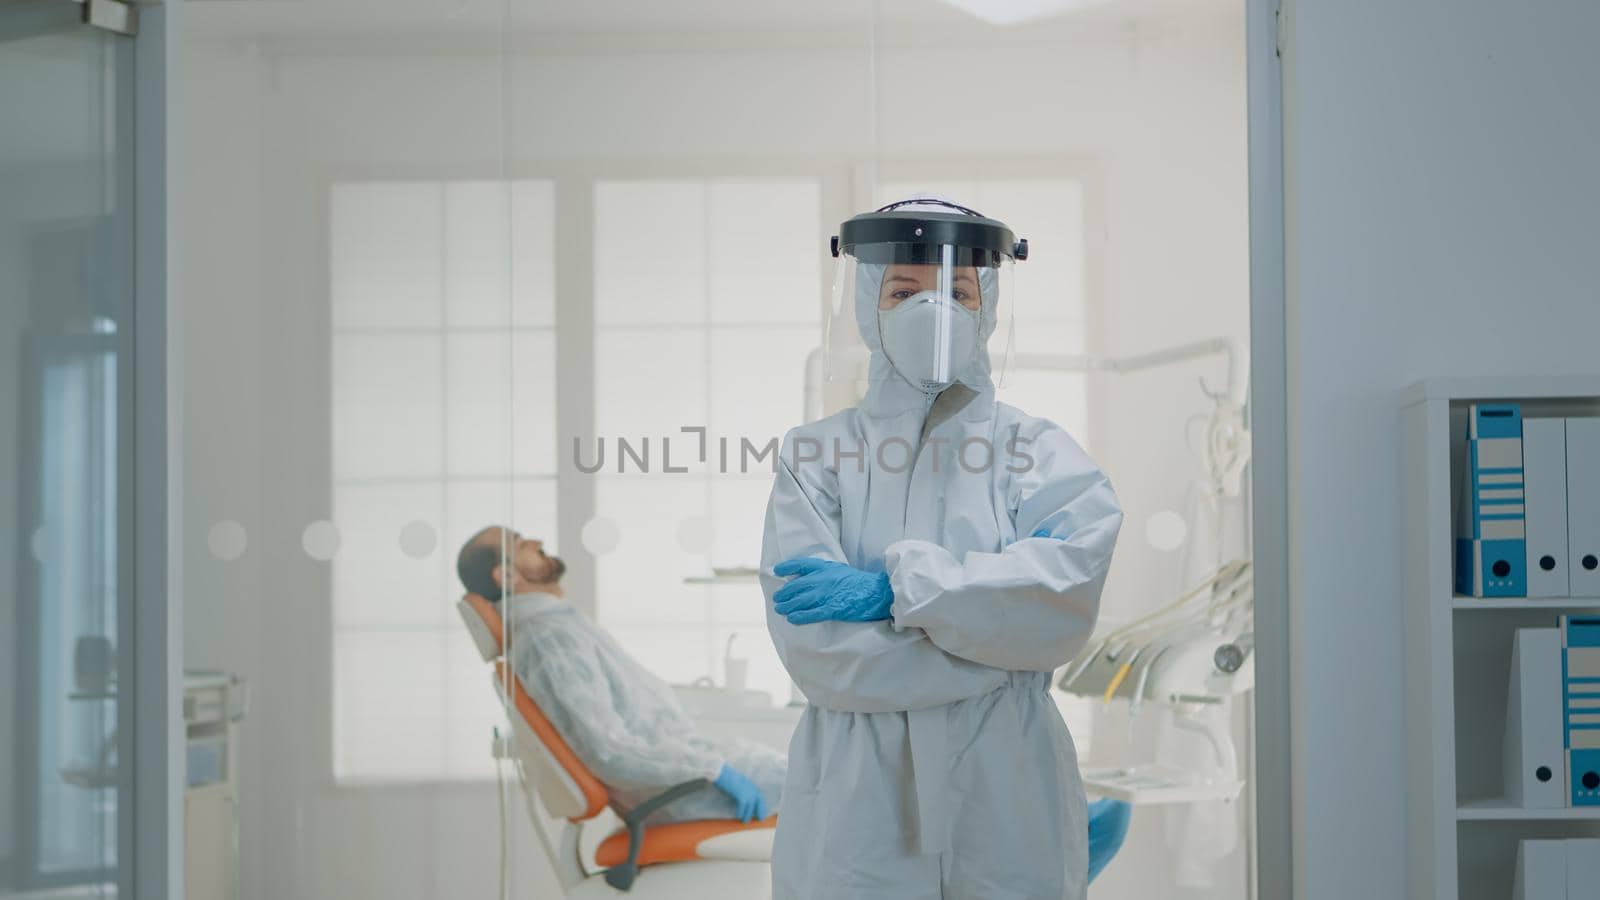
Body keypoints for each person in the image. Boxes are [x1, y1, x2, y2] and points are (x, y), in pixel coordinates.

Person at [762, 199, 1124, 899]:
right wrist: (992, 646)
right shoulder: (815, 456)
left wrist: (895, 592)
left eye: (957, 293)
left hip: (1005, 776)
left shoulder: (1037, 452)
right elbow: (825, 659)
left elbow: (1064, 599)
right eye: (904, 291)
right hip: (859, 789)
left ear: (986, 309)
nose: (933, 309)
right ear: (869, 302)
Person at [456, 525, 783, 825]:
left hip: (690, 774)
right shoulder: (549, 640)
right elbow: (609, 751)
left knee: (819, 774)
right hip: (687, 792)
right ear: (508, 576)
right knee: (824, 785)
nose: (537, 542)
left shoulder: (555, 628)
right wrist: (716, 771)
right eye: (520, 543)